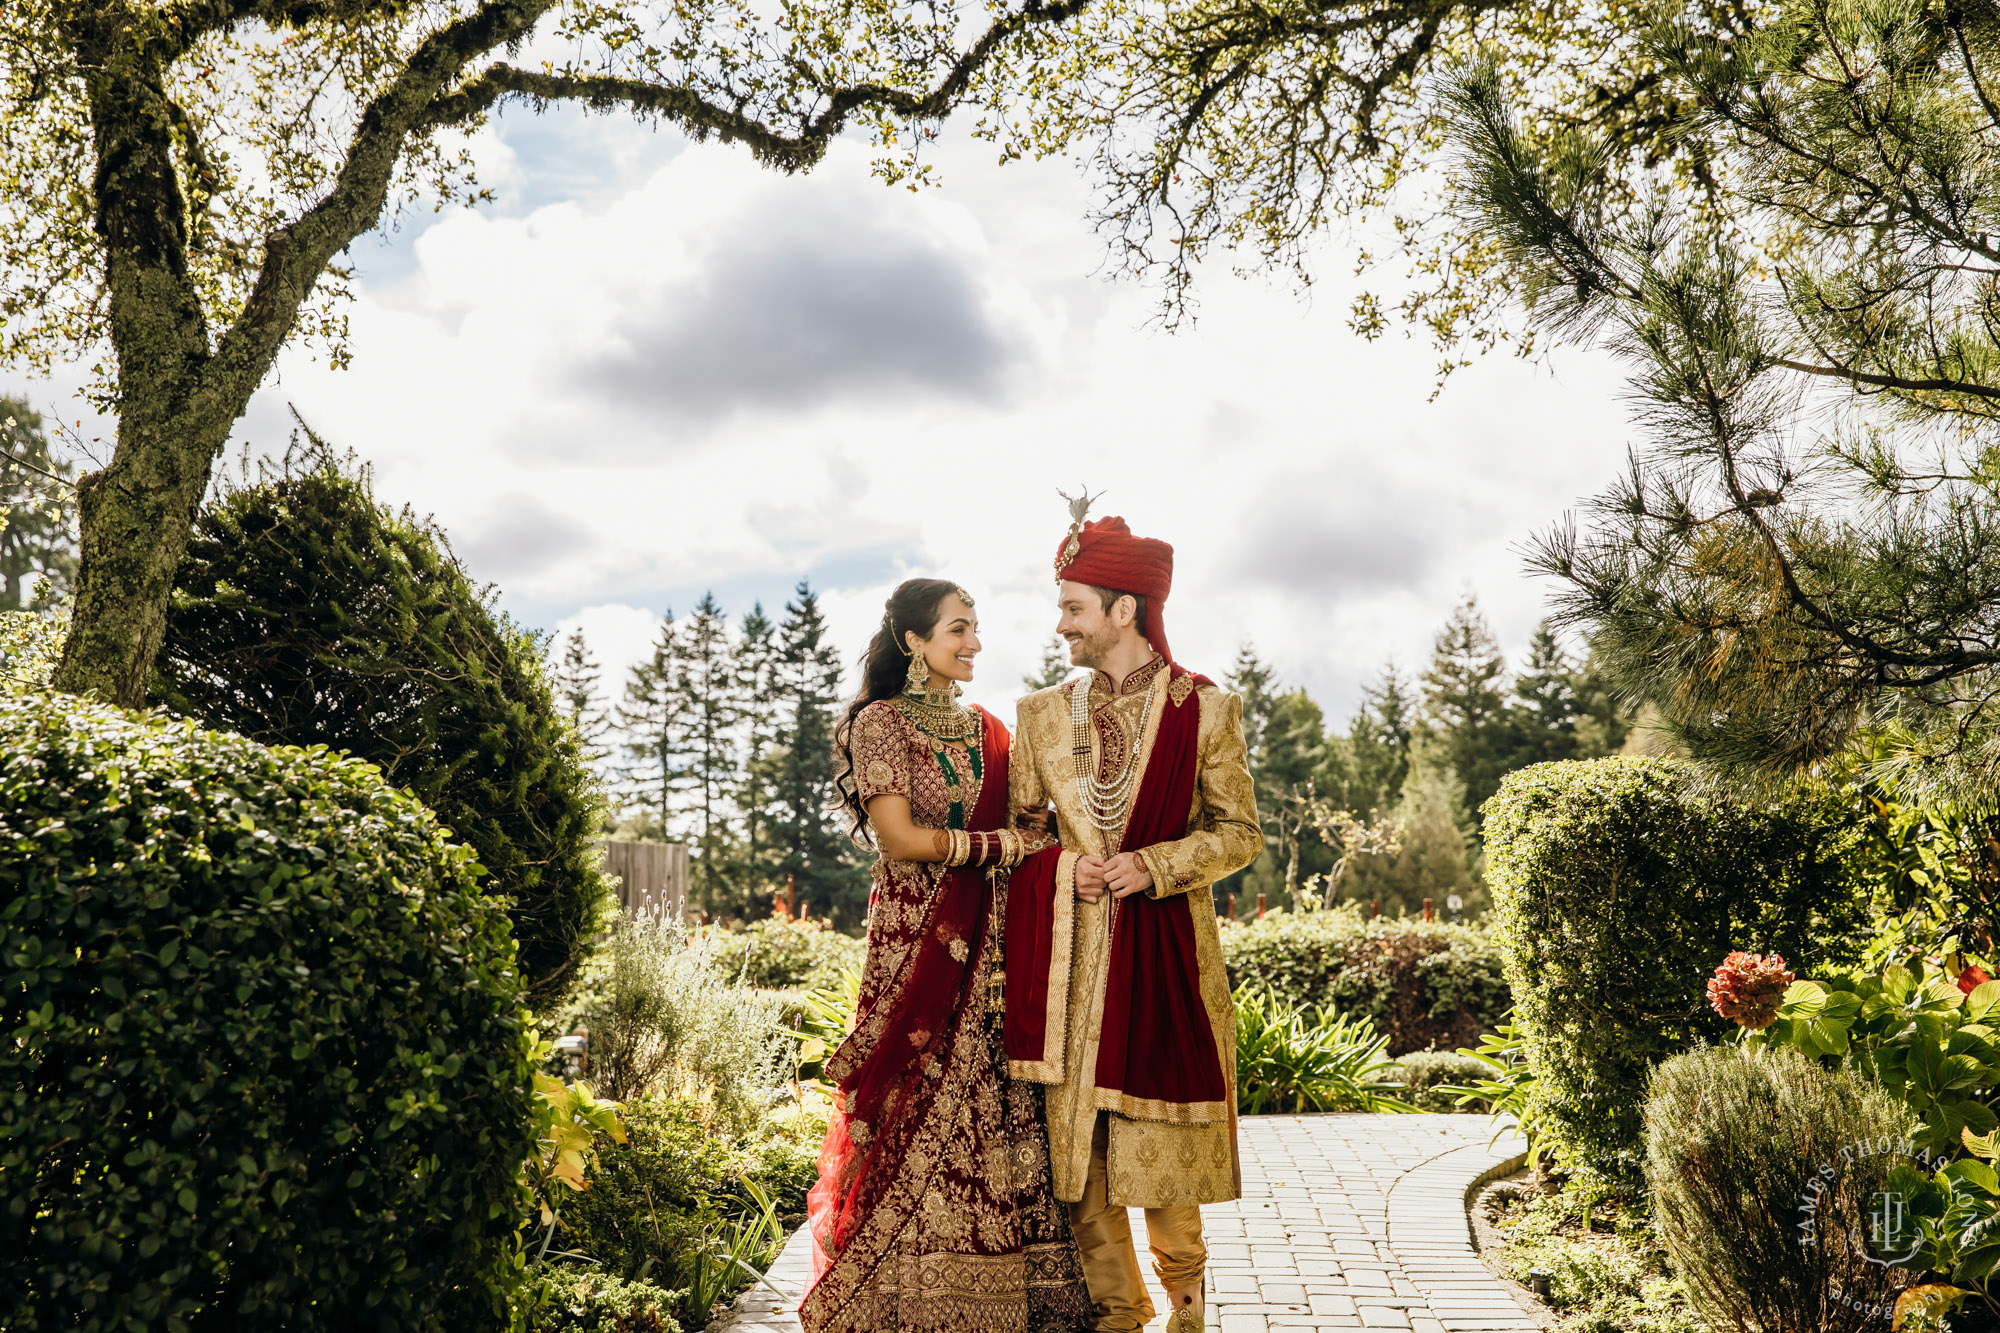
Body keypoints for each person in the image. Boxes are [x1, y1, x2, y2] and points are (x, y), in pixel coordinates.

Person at [800, 577, 1094, 1333]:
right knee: (915, 1090)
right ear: (913, 641)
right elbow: (899, 837)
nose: (974, 641)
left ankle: (1005, 1290)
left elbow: (1036, 819)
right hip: (916, 938)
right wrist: (1000, 844)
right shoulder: (881, 725)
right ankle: (906, 1292)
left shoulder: (995, 731)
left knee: (997, 1097)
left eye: (976, 626)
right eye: (958, 628)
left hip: (995, 943)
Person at [1001, 500, 1263, 1333]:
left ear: (1125, 609)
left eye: (1073, 606)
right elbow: (1021, 839)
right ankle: (1118, 1316)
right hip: (1070, 968)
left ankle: (1186, 1310)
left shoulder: (1205, 711)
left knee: (1162, 1149)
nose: (1061, 624)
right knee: (1081, 1154)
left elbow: (1239, 832)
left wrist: (1152, 865)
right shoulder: (1041, 715)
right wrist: (1066, 867)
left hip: (1166, 957)